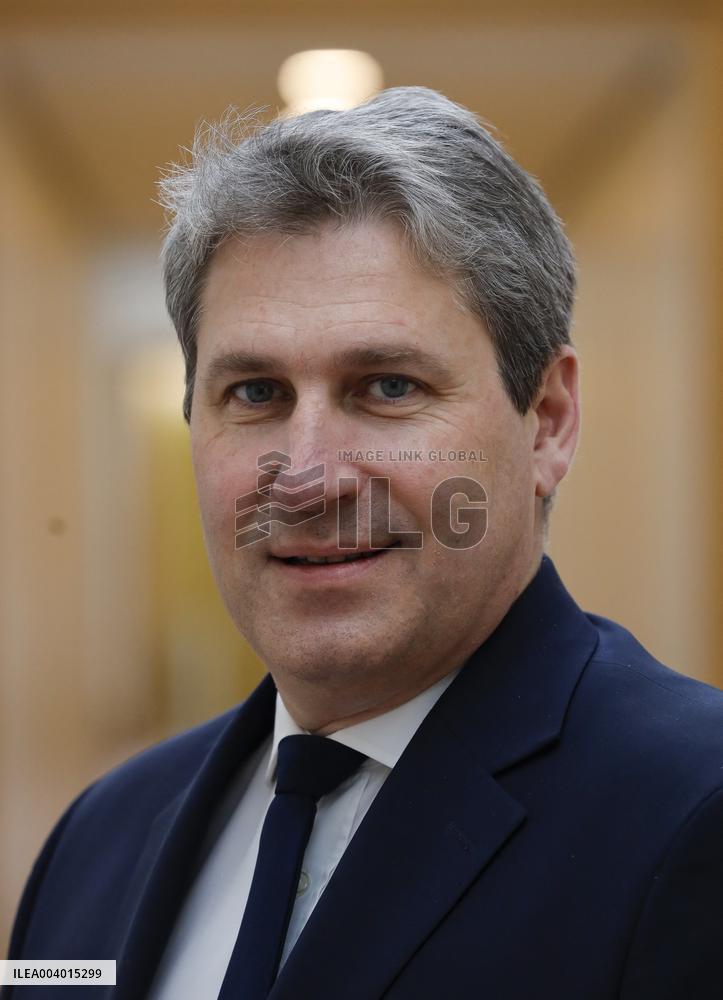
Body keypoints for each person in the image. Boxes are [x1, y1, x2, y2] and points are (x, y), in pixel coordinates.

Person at [5, 87, 723, 1000]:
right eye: (255, 394)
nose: (307, 477)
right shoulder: (97, 837)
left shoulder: (692, 816)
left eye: (386, 387)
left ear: (545, 421)